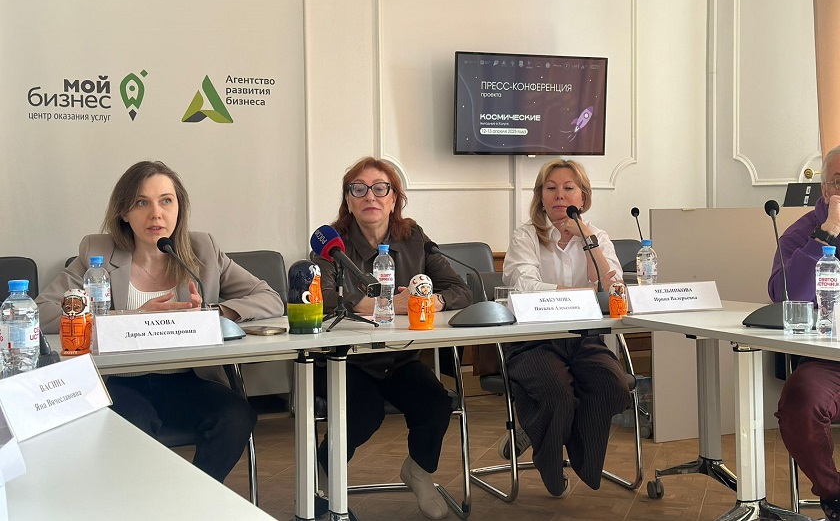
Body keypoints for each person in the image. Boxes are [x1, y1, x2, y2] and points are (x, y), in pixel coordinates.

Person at [37, 160, 283, 483]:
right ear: (124, 212)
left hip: (187, 379)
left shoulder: (203, 251)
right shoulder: (98, 253)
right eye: (142, 203)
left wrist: (212, 314)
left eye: (166, 201)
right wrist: (128, 318)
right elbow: (42, 311)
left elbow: (269, 298)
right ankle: (149, 502)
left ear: (179, 208)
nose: (156, 214)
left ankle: (195, 498)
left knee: (235, 417)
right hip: (119, 382)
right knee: (131, 427)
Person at [313, 156, 472, 520]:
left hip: (396, 358)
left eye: (380, 188)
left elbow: (459, 289)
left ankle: (418, 471)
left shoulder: (413, 238)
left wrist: (427, 300)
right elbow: (323, 300)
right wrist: (383, 304)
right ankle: (322, 477)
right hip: (342, 360)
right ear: (348, 199)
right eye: (359, 189)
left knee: (435, 402)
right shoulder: (332, 244)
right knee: (362, 413)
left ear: (394, 198)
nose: (370, 196)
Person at [502, 158, 631, 498]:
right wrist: (582, 293)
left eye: (568, 188)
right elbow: (524, 286)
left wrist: (589, 241)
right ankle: (549, 461)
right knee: (558, 394)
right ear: (541, 197)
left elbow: (611, 288)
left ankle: (539, 429)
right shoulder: (526, 235)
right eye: (551, 188)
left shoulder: (597, 236)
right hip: (533, 340)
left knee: (614, 387)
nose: (559, 195)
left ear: (583, 196)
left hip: (583, 339)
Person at [771, 144, 840, 521]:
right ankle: (834, 495)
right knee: (801, 402)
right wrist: (824, 237)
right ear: (825, 189)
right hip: (827, 359)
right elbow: (785, 297)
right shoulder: (801, 234)